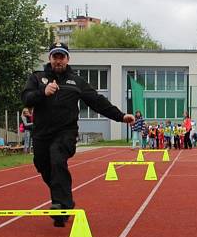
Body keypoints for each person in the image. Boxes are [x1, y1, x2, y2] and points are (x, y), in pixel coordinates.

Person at [22, 42, 135, 227]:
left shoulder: (77, 82)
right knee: (42, 164)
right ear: (49, 58)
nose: (58, 60)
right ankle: (64, 199)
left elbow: (98, 102)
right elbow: (26, 97)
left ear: (67, 59)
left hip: (66, 132)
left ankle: (60, 206)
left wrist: (121, 116)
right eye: (55, 57)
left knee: (57, 157)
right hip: (41, 132)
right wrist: (43, 92)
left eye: (62, 57)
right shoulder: (37, 78)